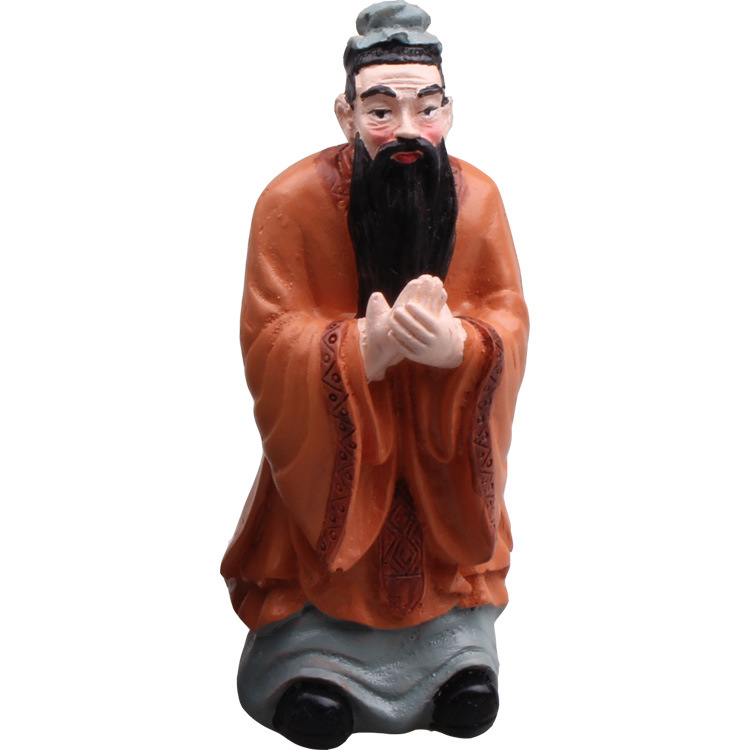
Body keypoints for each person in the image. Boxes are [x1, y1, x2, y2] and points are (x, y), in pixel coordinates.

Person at [220, 3, 529, 747]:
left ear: (449, 109)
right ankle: (312, 667)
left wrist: (462, 349)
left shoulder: (480, 199)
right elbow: (268, 334)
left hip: (437, 451)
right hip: (338, 463)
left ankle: (456, 658)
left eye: (427, 108)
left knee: (452, 599)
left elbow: (508, 315)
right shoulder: (290, 202)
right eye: (382, 110)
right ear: (346, 112)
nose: (407, 130)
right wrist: (358, 351)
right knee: (315, 592)